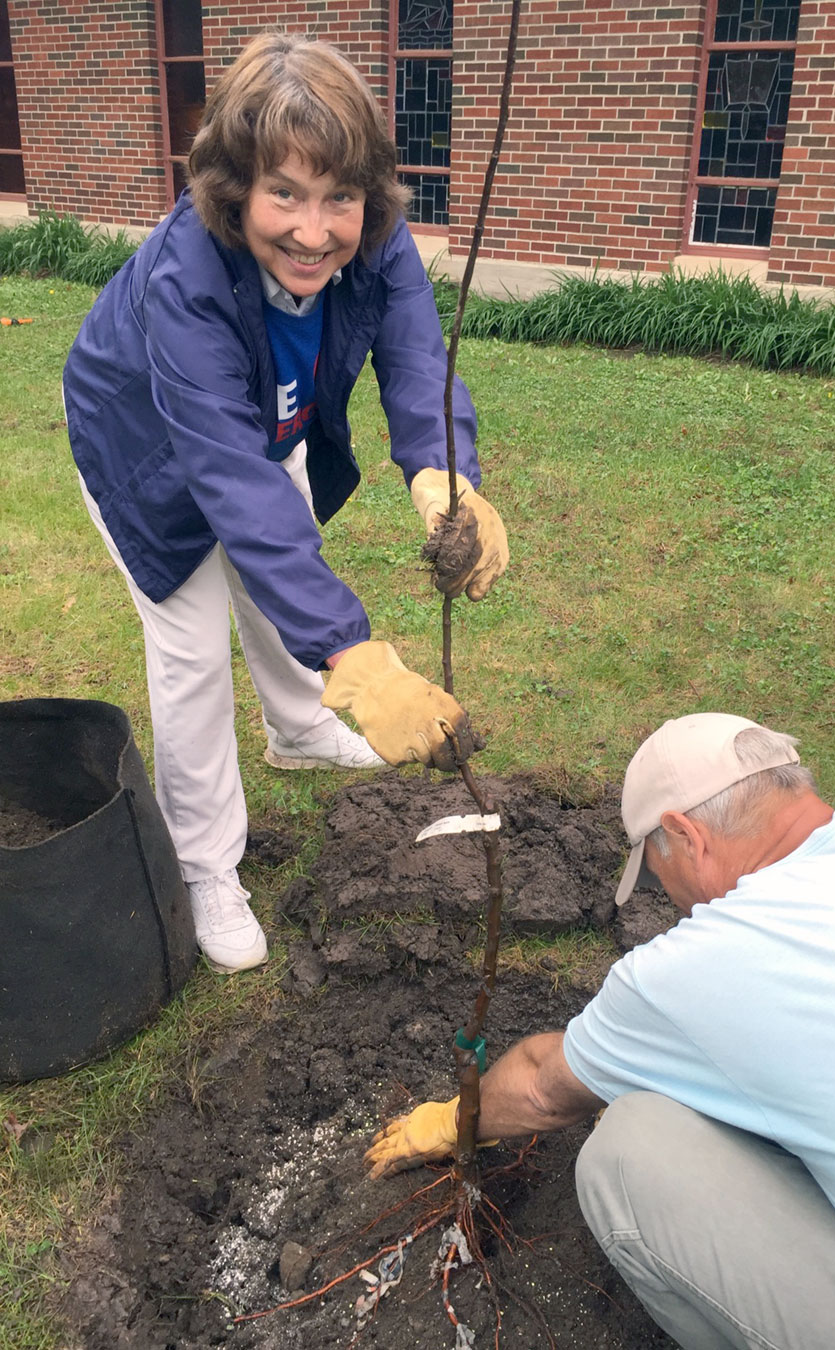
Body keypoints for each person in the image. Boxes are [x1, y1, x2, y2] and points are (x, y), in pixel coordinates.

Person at [62, 33, 508, 975]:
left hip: (263, 421)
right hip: (146, 446)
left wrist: (442, 473)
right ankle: (207, 864)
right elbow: (229, 484)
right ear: (234, 191)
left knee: (283, 556)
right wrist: (355, 656)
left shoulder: (376, 241)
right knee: (190, 648)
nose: (315, 231)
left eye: (339, 196)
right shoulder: (189, 281)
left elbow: (419, 355)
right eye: (285, 195)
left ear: (369, 194)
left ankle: (300, 728)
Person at [365, 712, 835, 1350]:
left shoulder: (710, 962)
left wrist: (451, 1122)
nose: (665, 897)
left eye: (653, 873)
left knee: (629, 1151)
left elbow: (542, 1086)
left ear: (685, 834)